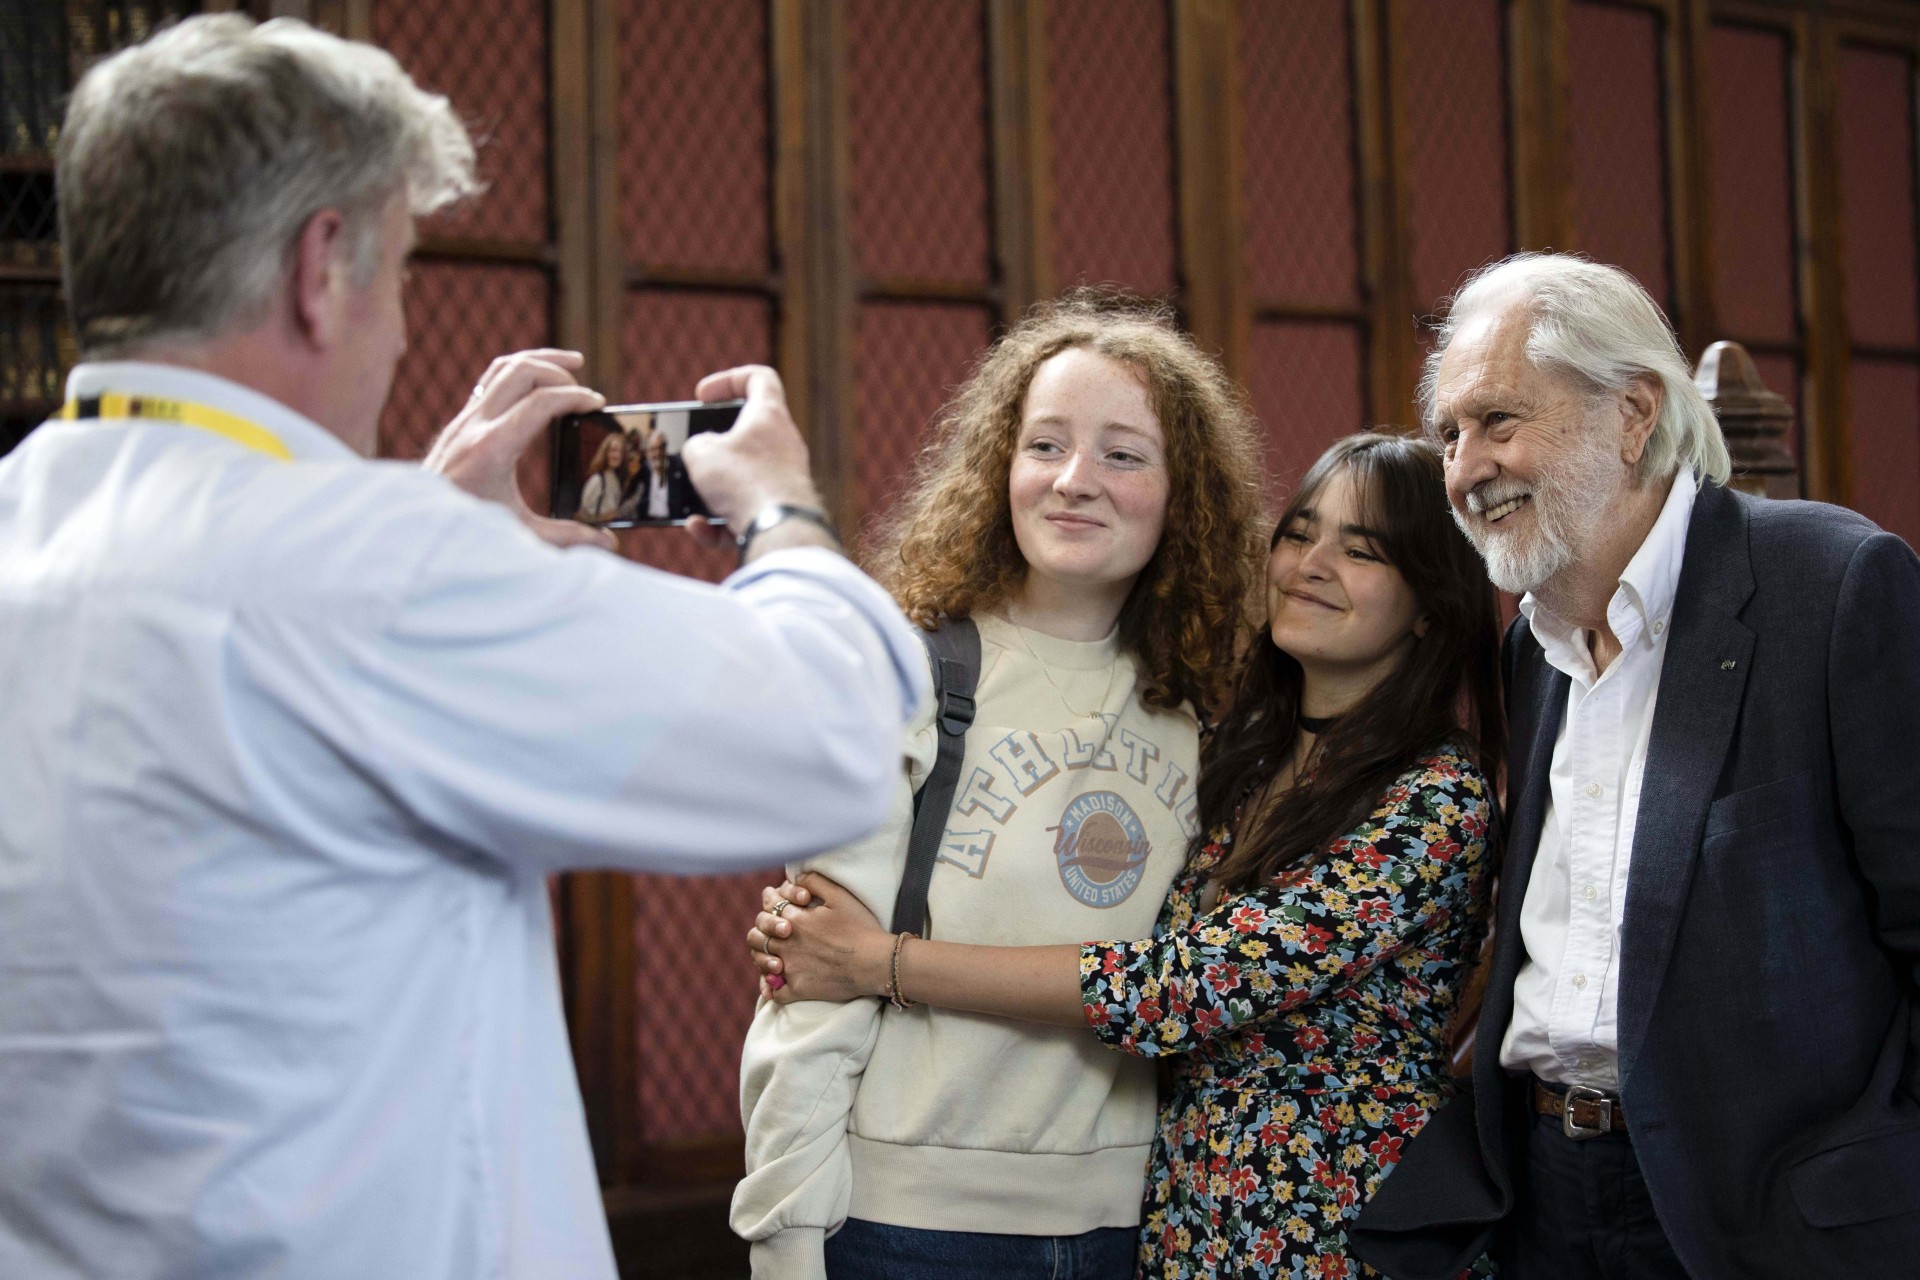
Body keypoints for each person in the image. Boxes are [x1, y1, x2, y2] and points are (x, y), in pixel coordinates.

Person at [0, 16, 925, 1280]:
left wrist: (429, 531)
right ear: (321, 267)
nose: (395, 330)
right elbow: (836, 738)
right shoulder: (366, 569)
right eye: (400, 272)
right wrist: (781, 509)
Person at [753, 432, 1507, 1278]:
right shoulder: (1241, 754)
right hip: (1183, 1226)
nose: (1311, 565)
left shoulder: (1436, 797)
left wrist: (879, 962)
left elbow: (1184, 986)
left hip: (1338, 1233)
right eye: (1299, 533)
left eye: (1361, 551)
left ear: (1430, 603)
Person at [1348, 253, 1920, 1280]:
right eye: (1450, 434)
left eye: (1498, 420)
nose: (1465, 469)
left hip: (1773, 1217)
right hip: (1548, 1199)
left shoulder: (1831, 585)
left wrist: (1876, 1171)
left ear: (1634, 412)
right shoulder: (1532, 648)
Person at [729, 291, 1267, 1280]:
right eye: (1044, 444)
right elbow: (812, 985)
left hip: (1132, 1227)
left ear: (1181, 492)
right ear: (1001, 467)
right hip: (905, 1229)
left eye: (1122, 454)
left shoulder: (1204, 707)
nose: (1073, 480)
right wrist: (786, 1237)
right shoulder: (909, 673)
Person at [578, 428, 629, 522]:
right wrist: (602, 518)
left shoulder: (616, 478)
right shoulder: (597, 480)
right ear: (605, 452)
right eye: (613, 450)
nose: (617, 455)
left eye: (621, 452)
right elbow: (581, 515)